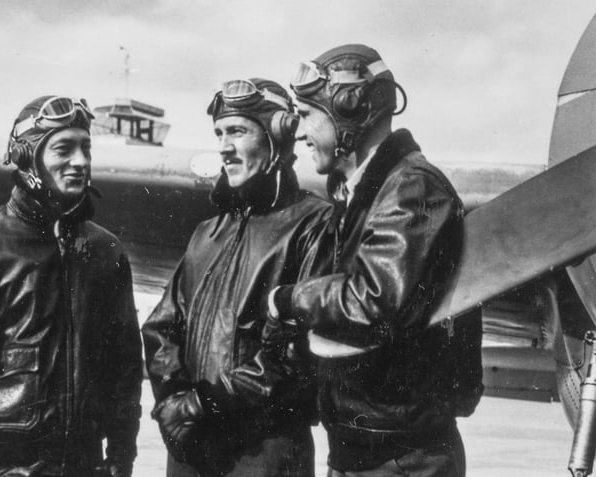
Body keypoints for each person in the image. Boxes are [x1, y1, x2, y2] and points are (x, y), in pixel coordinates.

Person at [265, 44, 484, 476]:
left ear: (351, 109)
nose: (300, 132)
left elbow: (373, 299)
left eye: (308, 114)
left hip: (402, 461)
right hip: (362, 453)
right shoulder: (362, 196)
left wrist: (289, 300)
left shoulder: (411, 189)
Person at [0, 96, 142, 477]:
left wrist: (122, 454)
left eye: (86, 148)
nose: (80, 161)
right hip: (5, 468)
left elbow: (124, 366)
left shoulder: (106, 252)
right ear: (27, 157)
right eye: (64, 148)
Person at [142, 78, 332, 477]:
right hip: (191, 448)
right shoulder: (206, 233)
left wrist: (204, 404)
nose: (224, 146)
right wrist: (174, 403)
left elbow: (299, 355)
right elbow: (161, 327)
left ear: (278, 137)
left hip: (264, 453)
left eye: (238, 131)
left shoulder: (315, 225)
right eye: (219, 134)